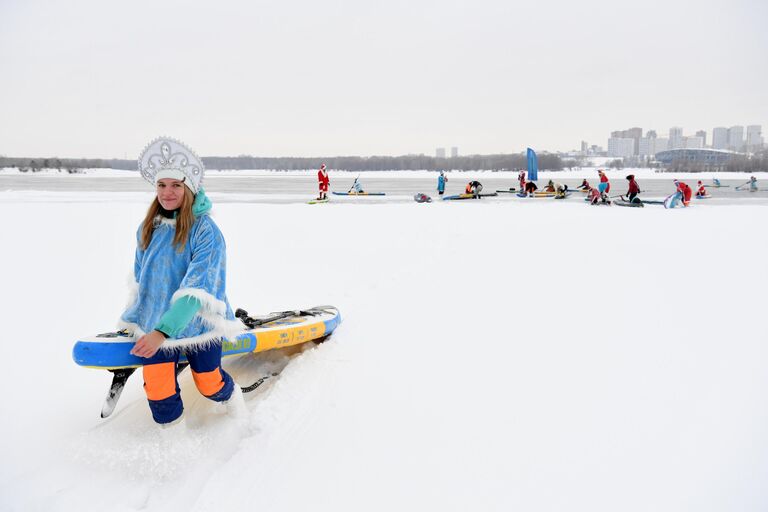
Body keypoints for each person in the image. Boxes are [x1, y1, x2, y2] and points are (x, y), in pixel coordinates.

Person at [122, 137, 245, 427]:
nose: (167, 193)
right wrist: (140, 323)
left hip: (199, 322)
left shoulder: (206, 231)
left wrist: (161, 333)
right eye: (161, 185)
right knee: (158, 388)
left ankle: (236, 405)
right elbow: (142, 279)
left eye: (176, 185)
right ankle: (173, 448)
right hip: (156, 322)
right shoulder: (148, 227)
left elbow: (197, 292)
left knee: (208, 382)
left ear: (190, 187)